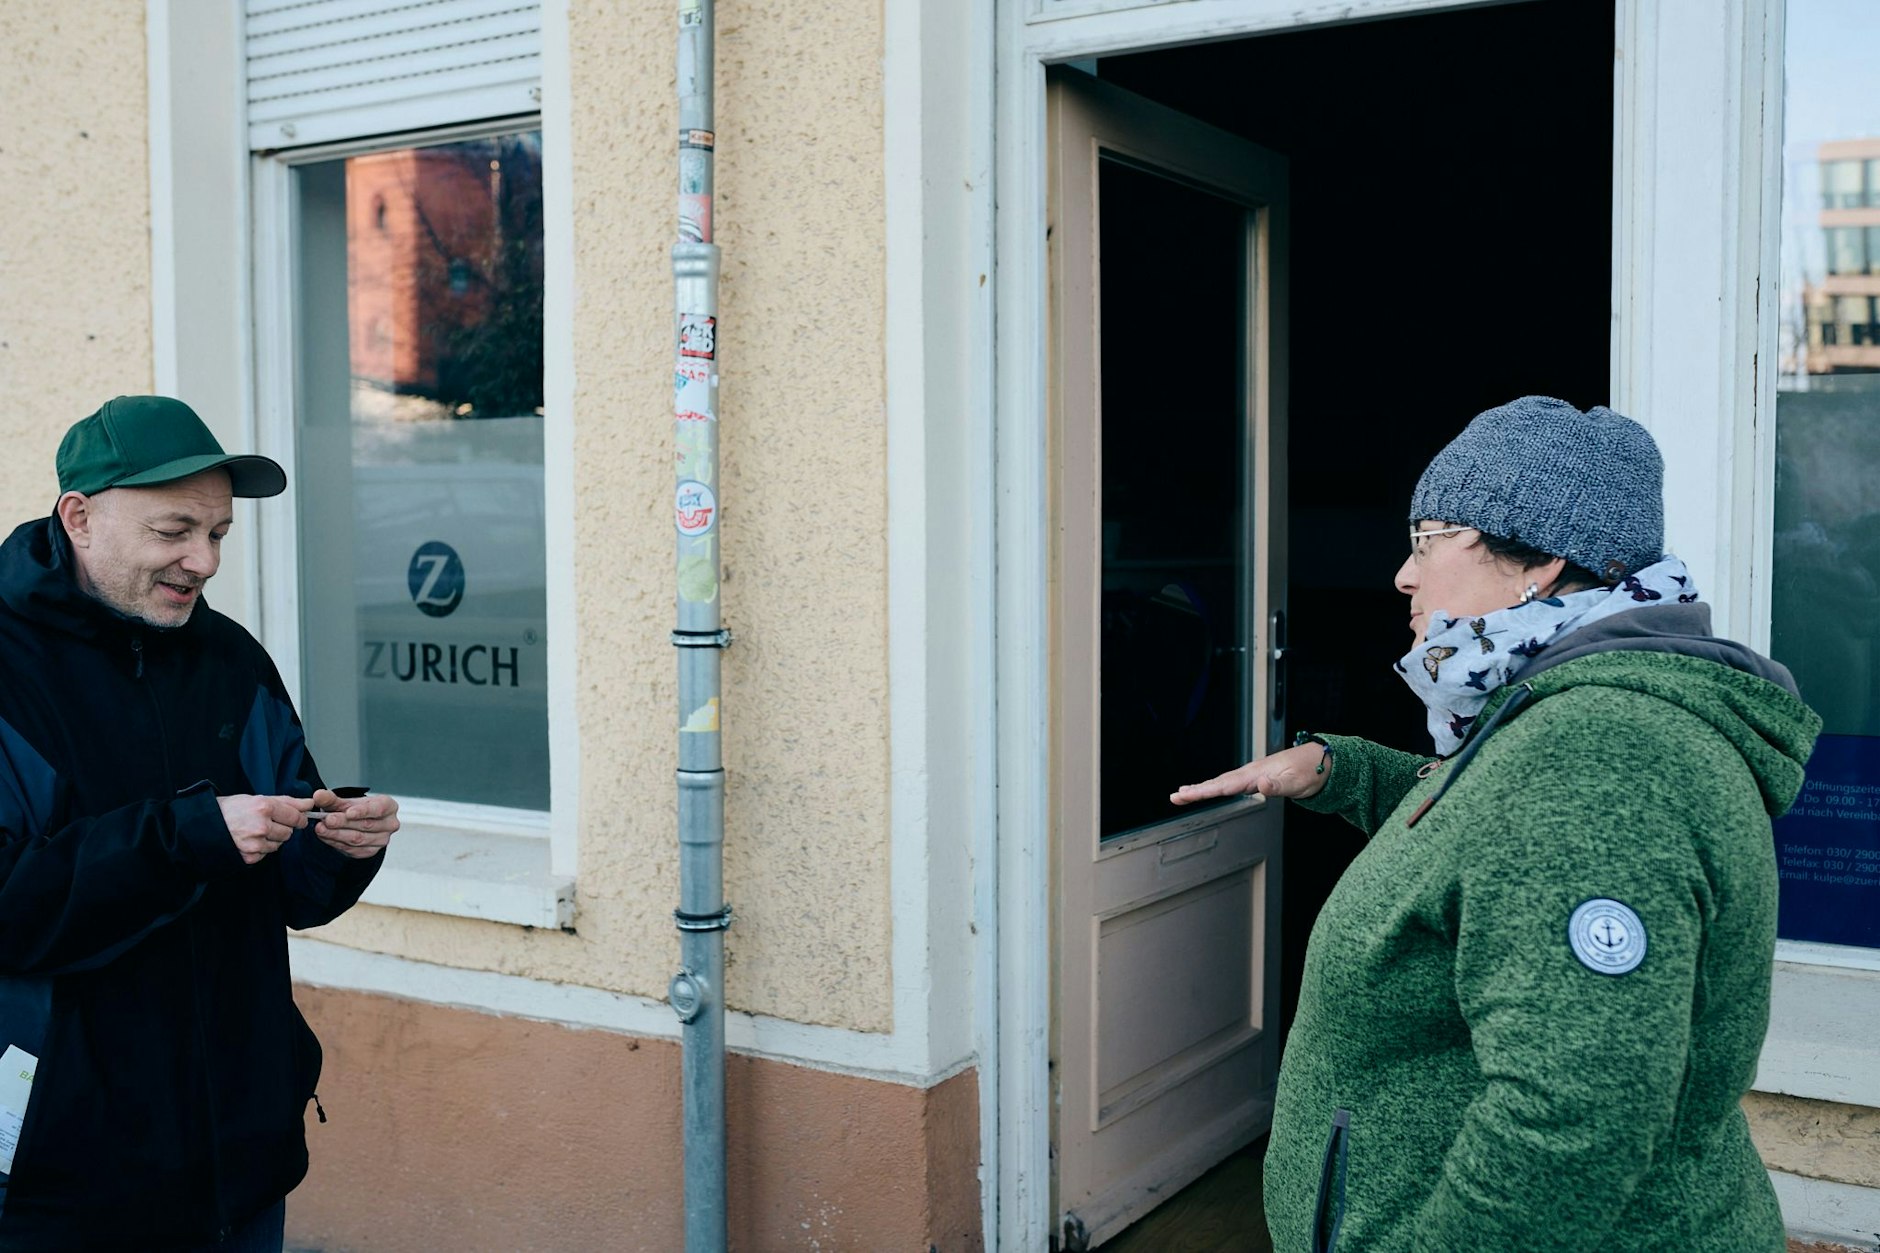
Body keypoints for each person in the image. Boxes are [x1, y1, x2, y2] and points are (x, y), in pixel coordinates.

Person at [1173, 396, 1819, 1253]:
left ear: (1541, 561)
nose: (1403, 575)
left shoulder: (1600, 761)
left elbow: (1569, 1129)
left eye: (1427, 541)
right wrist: (1347, 770)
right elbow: (1497, 837)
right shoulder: (1572, 708)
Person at [0, 396, 399, 1251]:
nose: (205, 560)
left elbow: (296, 892)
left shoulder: (232, 659)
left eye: (218, 532)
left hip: (241, 1156)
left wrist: (340, 846)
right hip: (67, 1177)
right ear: (79, 517)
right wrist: (186, 837)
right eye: (174, 530)